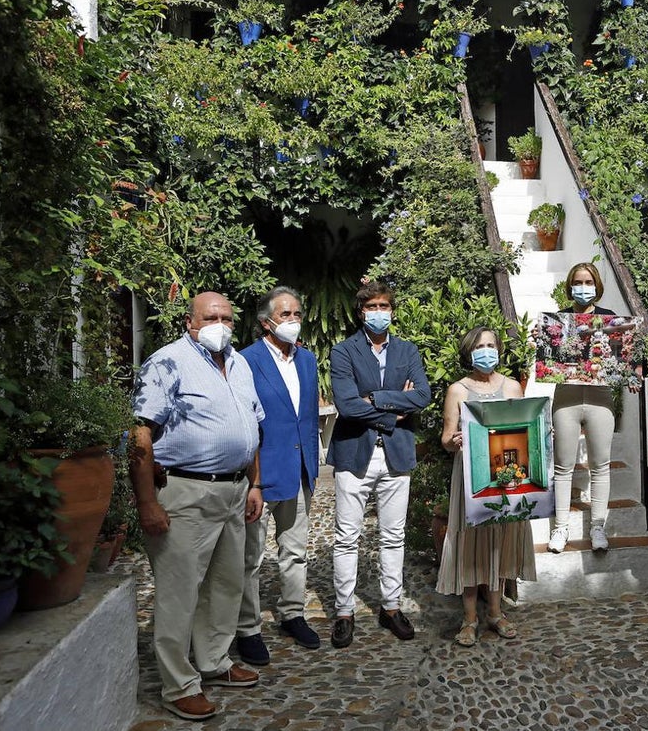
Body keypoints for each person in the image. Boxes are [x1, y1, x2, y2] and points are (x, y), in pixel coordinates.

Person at [129, 292, 264, 722]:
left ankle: (214, 662)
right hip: (186, 492)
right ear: (190, 323)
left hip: (233, 491)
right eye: (210, 317)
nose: (220, 324)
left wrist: (254, 483)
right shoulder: (167, 362)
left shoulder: (239, 363)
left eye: (226, 317)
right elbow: (140, 436)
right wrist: (147, 502)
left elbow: (251, 427)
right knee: (179, 592)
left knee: (226, 584)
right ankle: (178, 684)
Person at [327, 277, 430, 646]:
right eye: (372, 307)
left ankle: (390, 607)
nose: (378, 312)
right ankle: (343, 612)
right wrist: (391, 410)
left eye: (384, 306)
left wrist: (374, 399)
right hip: (354, 453)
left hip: (397, 454)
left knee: (393, 536)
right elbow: (347, 405)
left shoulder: (408, 351)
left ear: (392, 310)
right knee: (346, 536)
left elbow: (422, 396)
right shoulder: (343, 352)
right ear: (361, 312)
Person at [235, 286, 322, 665]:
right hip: (260, 472)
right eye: (285, 314)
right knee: (250, 557)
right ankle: (247, 628)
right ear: (266, 321)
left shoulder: (307, 360)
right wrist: (251, 478)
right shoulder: (244, 361)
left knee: (295, 551)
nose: (292, 321)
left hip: (300, 469)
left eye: (297, 314)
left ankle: (292, 613)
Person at [437, 326, 537, 646]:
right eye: (479, 345)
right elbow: (445, 439)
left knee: (499, 542)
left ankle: (495, 612)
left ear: (499, 348)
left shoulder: (511, 387)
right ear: (469, 351)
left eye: (491, 344)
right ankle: (468, 619)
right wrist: (454, 441)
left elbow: (525, 433)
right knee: (470, 547)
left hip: (506, 479)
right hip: (470, 478)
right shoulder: (458, 390)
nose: (486, 350)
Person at [548, 262, 616, 554]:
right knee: (563, 467)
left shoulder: (612, 319)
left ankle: (598, 527)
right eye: (578, 281)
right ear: (570, 285)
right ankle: (560, 527)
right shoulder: (557, 319)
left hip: (600, 399)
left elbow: (619, 363)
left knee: (600, 466)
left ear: (597, 286)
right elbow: (549, 359)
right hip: (567, 397)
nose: (583, 287)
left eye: (589, 282)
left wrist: (629, 376)